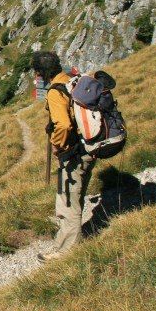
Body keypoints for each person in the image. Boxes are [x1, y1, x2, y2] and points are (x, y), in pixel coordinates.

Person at [31, 51, 95, 262]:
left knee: (67, 200)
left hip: (74, 152)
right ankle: (69, 240)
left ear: (40, 73)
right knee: (75, 196)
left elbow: (64, 124)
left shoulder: (55, 92)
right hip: (88, 147)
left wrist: (57, 145)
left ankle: (66, 253)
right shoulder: (69, 81)